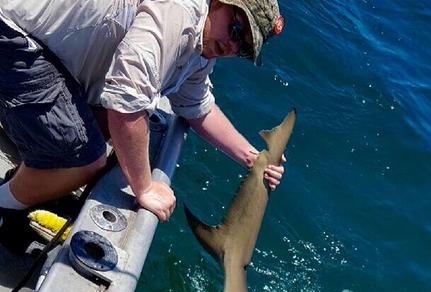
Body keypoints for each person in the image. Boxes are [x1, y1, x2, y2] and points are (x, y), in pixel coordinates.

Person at [0, 0, 286, 227]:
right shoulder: (181, 14)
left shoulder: (202, 45)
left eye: (244, 48)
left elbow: (198, 107)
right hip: (13, 32)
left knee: (100, 130)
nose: (231, 47)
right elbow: (126, 104)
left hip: (47, 50)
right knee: (87, 161)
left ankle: (33, 179)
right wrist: (145, 188)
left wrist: (252, 158)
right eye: (235, 30)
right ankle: (4, 203)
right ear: (220, 2)